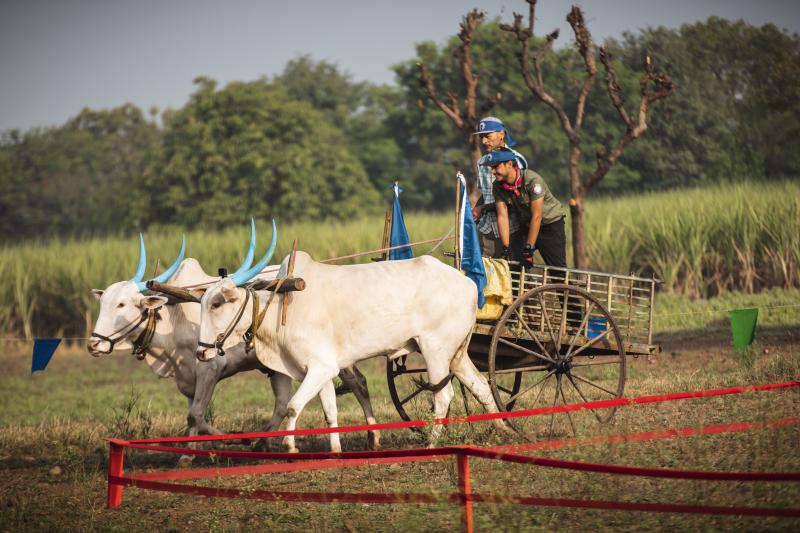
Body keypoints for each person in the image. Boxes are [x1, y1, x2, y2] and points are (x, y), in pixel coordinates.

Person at [480, 147, 567, 268]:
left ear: (509, 164)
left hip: (550, 225)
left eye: (496, 167)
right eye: (491, 168)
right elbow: (502, 215)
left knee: (557, 270)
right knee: (514, 262)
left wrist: (529, 248)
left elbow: (537, 216)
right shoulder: (497, 186)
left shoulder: (532, 180)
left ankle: (563, 286)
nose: (493, 172)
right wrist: (506, 247)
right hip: (526, 226)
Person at [470, 117, 528, 258]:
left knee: (514, 273)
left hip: (513, 229)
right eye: (482, 137)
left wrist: (483, 208)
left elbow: (516, 198)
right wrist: (475, 212)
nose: (484, 141)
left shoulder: (516, 160)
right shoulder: (481, 162)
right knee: (487, 274)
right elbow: (486, 193)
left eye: (488, 136)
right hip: (487, 229)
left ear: (501, 134)